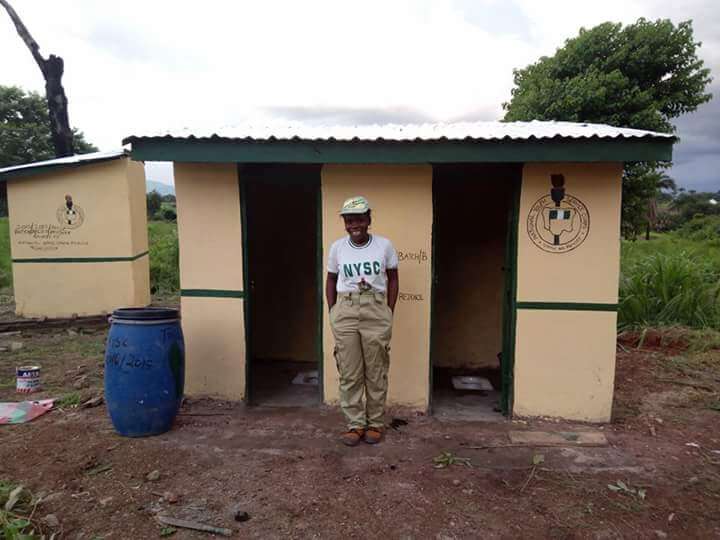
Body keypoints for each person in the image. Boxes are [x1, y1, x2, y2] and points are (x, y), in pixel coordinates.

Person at [326, 195, 399, 446]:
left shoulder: (384, 246)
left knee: (376, 371)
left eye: (358, 219)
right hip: (345, 310)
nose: (353, 224)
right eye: (348, 220)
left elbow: (393, 278)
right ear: (344, 223)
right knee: (349, 371)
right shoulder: (337, 247)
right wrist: (332, 311)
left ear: (368, 219)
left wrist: (388, 311)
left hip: (375, 309)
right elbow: (331, 280)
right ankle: (355, 424)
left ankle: (375, 423)